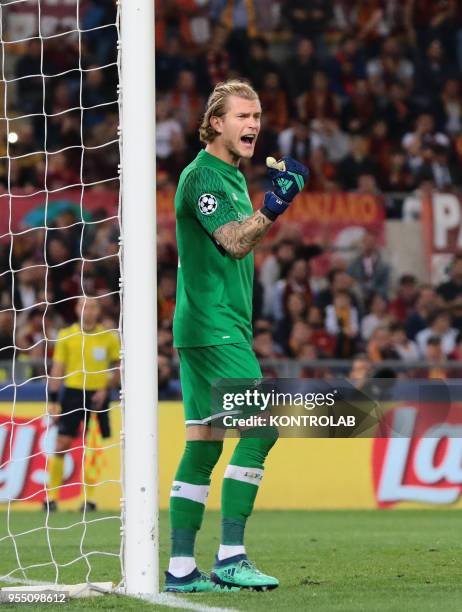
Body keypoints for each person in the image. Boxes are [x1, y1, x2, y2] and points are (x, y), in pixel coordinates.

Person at [166, 79, 308, 593]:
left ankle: (181, 568)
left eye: (258, 116)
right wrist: (273, 207)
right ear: (216, 122)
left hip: (213, 326)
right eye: (243, 116)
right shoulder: (202, 177)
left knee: (204, 442)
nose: (253, 124)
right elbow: (232, 242)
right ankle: (230, 557)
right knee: (262, 424)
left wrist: (268, 203)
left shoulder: (229, 177)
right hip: (212, 325)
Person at [44, 297, 120, 512]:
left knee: (93, 447)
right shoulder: (67, 336)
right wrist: (52, 399)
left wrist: (106, 389)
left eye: (93, 307)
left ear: (99, 311)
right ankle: (52, 498)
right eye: (84, 306)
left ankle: (90, 499)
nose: (88, 311)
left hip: (98, 395)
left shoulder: (109, 337)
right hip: (72, 394)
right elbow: (58, 367)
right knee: (62, 443)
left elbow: (117, 365)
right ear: (77, 309)